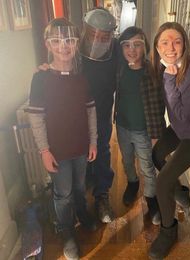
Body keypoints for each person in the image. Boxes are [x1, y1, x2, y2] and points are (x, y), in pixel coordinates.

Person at [27, 18, 97, 260]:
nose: (63, 46)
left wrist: (94, 141)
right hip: (56, 149)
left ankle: (82, 213)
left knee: (79, 186)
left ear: (76, 44)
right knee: (63, 192)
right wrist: (44, 151)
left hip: (80, 145)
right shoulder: (40, 79)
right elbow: (36, 118)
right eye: (57, 41)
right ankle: (67, 231)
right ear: (48, 44)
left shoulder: (81, 77)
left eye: (69, 40)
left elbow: (90, 110)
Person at [149, 22, 190, 259]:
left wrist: (169, 80)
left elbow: (183, 115)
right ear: (157, 47)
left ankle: (168, 232)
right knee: (156, 155)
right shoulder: (164, 66)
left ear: (185, 44)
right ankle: (180, 191)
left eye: (176, 41)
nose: (171, 47)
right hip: (180, 128)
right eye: (164, 42)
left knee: (162, 182)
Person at [114, 26, 166, 225]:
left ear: (145, 47)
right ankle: (132, 183)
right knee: (127, 160)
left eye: (137, 44)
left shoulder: (154, 70)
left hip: (144, 130)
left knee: (147, 166)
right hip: (122, 127)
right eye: (126, 45)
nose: (132, 49)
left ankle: (151, 199)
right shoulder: (119, 69)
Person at [79, 8, 117, 223]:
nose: (98, 40)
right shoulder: (73, 50)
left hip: (102, 111)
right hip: (76, 113)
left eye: (104, 37)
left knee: (102, 149)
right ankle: (80, 195)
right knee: (78, 152)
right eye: (93, 34)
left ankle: (102, 194)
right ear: (85, 30)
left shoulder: (116, 51)